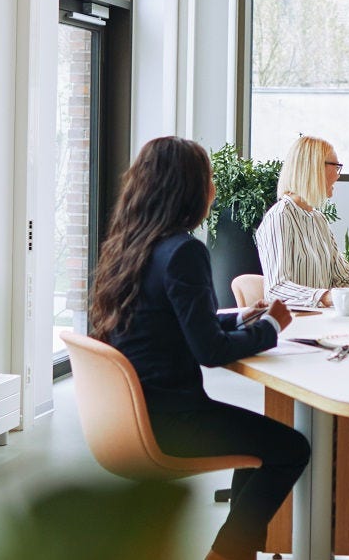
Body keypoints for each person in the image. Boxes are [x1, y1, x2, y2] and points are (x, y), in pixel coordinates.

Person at [90, 137, 308, 560]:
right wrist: (269, 327)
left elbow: (168, 322)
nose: (213, 188)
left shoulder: (128, 247)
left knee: (258, 446)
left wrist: (234, 318)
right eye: (208, 178)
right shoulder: (184, 251)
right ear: (190, 189)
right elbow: (210, 350)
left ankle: (237, 552)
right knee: (291, 448)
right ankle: (226, 554)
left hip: (130, 414)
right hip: (172, 420)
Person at [256, 135, 349, 308]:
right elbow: (276, 288)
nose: (338, 175)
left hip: (323, 319)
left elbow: (342, 277)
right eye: (335, 166)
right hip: (297, 324)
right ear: (313, 168)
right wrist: (328, 297)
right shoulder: (280, 217)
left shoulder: (318, 219)